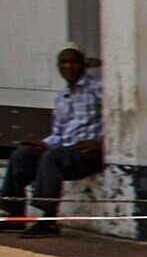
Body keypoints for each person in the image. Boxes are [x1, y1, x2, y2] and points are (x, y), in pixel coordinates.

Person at [3, 47, 103, 235]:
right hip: (65, 151)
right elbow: (59, 133)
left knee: (52, 158)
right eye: (64, 62)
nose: (69, 66)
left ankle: (48, 220)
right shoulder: (62, 96)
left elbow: (119, 121)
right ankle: (14, 216)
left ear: (84, 65)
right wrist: (44, 144)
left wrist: (103, 143)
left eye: (74, 62)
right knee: (21, 155)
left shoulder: (98, 88)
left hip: (89, 153)